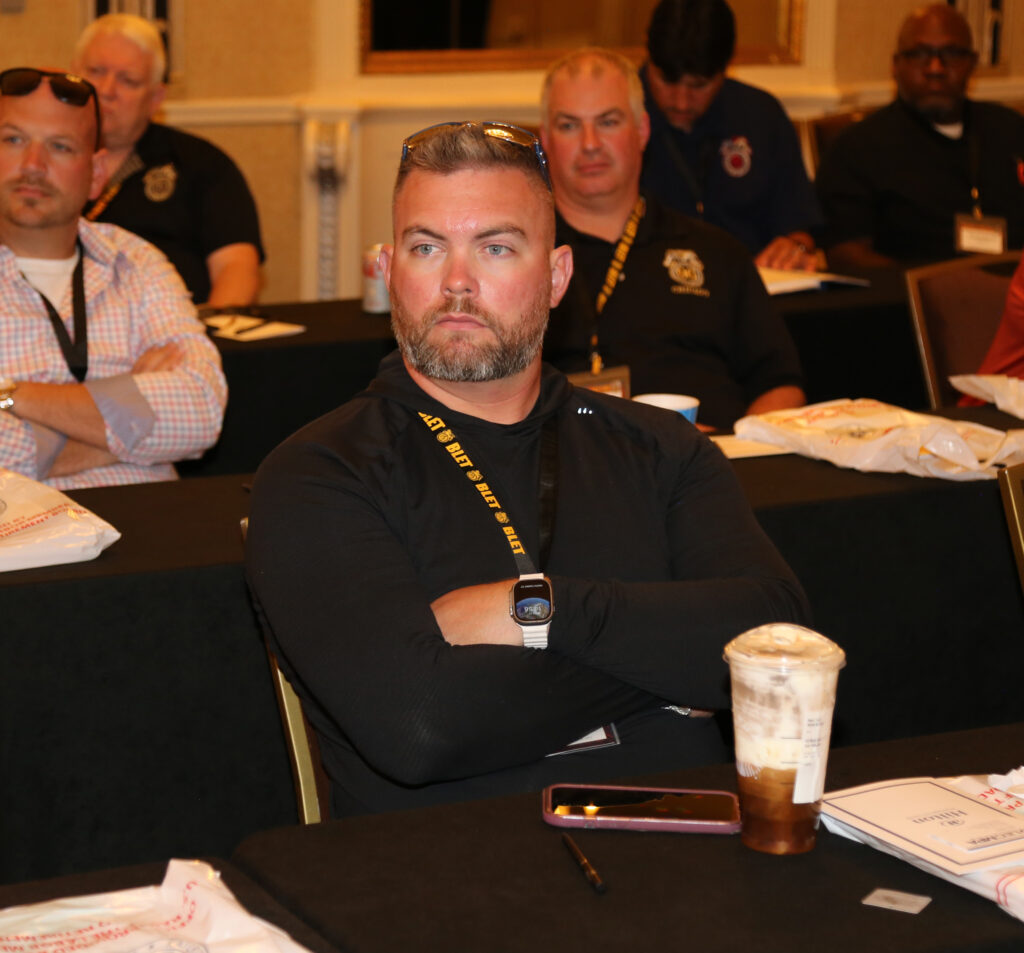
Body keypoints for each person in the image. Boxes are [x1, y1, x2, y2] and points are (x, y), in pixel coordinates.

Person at [245, 120, 810, 818]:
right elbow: (421, 726)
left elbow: (779, 637)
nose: (456, 282)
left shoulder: (661, 446)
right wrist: (677, 667)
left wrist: (541, 610)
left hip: (688, 841)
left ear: (556, 276)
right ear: (390, 270)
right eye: (427, 247)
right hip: (455, 865)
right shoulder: (320, 474)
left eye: (496, 247)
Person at [540, 48, 805, 430]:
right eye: (569, 125)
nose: (590, 143)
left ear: (642, 130)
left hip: (717, 456)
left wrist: (730, 452)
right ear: (546, 140)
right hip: (572, 459)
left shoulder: (716, 252)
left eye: (609, 122)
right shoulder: (517, 257)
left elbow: (781, 385)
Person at [0, 67, 227, 489]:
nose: (33, 165)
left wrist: (12, 395)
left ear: (97, 174)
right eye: (13, 140)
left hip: (152, 519)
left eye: (60, 146)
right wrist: (130, 414)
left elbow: (201, 410)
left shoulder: (136, 261)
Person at [72, 14, 264, 306]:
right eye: (96, 72)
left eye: (127, 80)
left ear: (155, 99)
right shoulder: (38, 161)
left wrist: (206, 333)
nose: (107, 90)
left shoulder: (203, 165)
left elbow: (236, 269)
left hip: (176, 326)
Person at [816, 4, 1024, 269]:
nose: (935, 68)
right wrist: (931, 286)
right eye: (919, 54)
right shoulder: (857, 147)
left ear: (972, 63)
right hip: (909, 290)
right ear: (895, 65)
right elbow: (844, 253)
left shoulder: (1011, 130)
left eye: (951, 53)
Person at [639, 0, 822, 271]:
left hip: (749, 281)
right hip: (648, 282)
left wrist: (795, 248)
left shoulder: (761, 115)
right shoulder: (613, 118)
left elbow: (799, 228)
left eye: (699, 86)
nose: (681, 102)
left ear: (726, 69)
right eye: (667, 81)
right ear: (648, 60)